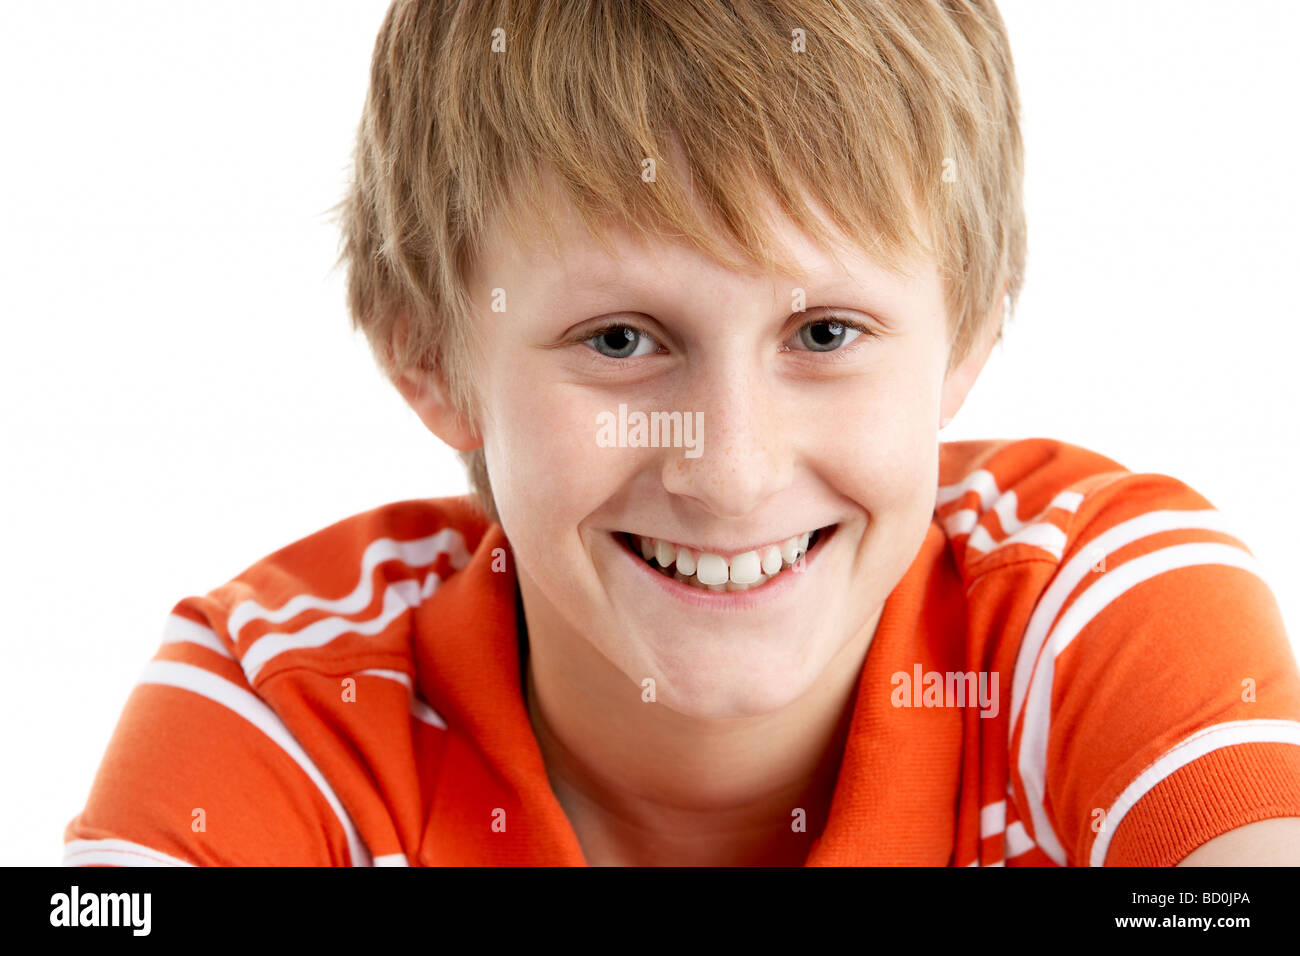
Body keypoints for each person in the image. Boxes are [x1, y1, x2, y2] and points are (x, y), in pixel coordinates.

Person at [63, 0, 1300, 867]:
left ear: (966, 335)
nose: (730, 469)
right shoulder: (281, 694)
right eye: (618, 339)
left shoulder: (1090, 600)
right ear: (429, 359)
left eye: (823, 333)